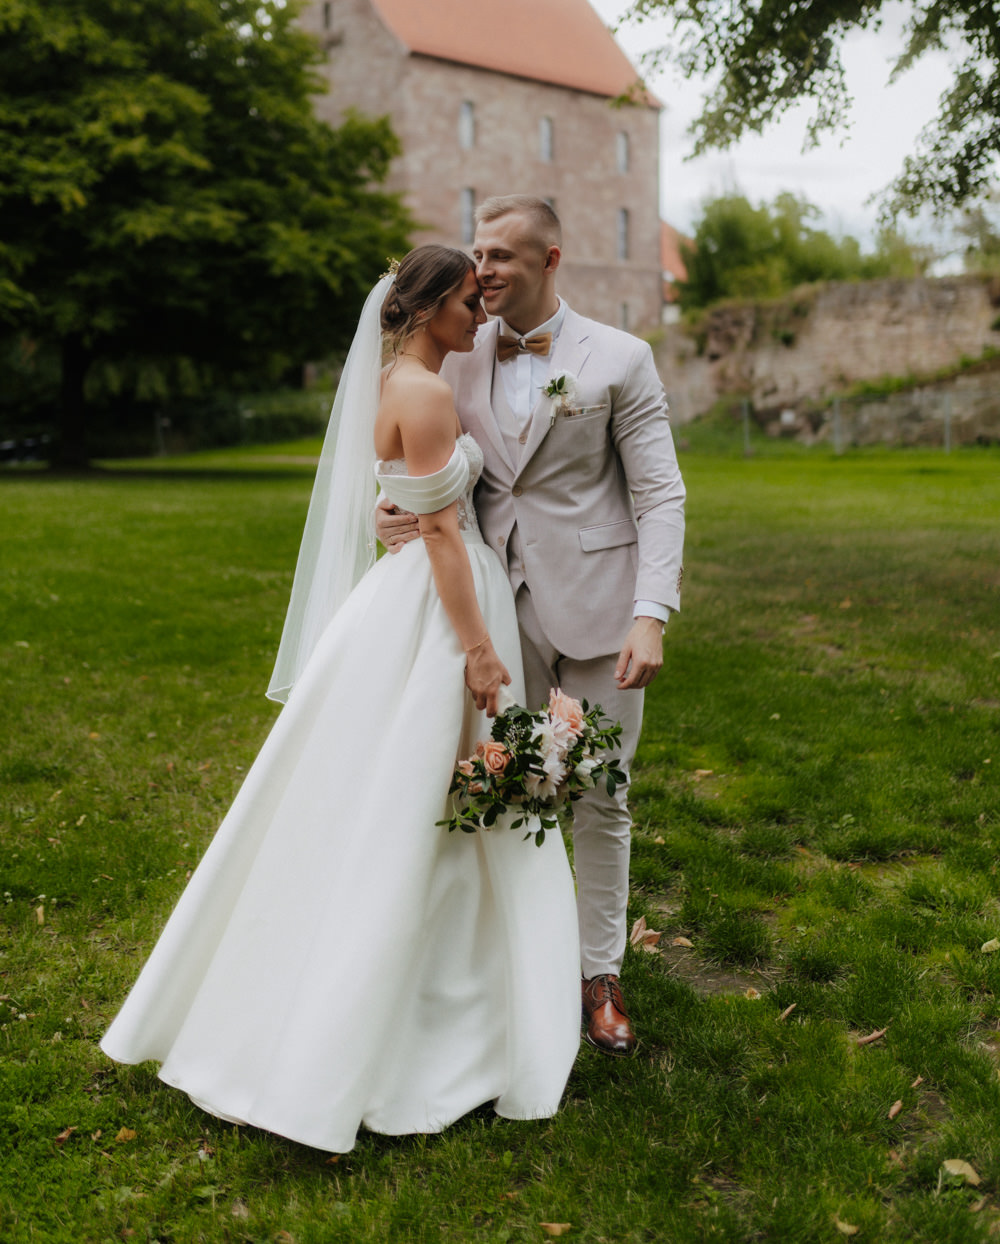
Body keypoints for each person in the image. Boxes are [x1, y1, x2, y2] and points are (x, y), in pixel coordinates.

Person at [100, 246, 581, 1153]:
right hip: (440, 612)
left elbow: (392, 495)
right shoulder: (431, 395)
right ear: (432, 303)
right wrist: (479, 651)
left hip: (390, 606)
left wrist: (387, 517)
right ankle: (415, 1030)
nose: (480, 315)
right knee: (433, 798)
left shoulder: (391, 380)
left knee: (384, 797)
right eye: (469, 303)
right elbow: (439, 532)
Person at [377, 198, 685, 1055]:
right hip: (490, 615)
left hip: (600, 609)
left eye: (505, 256)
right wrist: (388, 511)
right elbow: (426, 469)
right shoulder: (456, 354)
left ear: (553, 257)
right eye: (478, 254)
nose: (486, 271)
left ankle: (600, 977)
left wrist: (650, 614)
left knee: (601, 796)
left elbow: (660, 493)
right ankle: (511, 969)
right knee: (497, 788)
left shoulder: (620, 358)